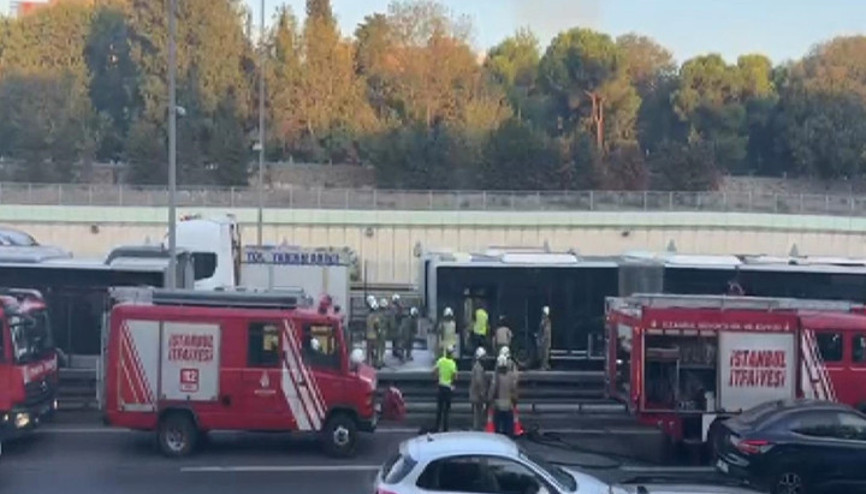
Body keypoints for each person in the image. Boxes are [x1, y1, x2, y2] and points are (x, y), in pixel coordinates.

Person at [488, 354, 518, 437]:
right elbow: (514, 390)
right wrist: (515, 401)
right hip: (508, 406)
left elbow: (493, 389)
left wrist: (489, 400)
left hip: (498, 406)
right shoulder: (511, 376)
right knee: (508, 429)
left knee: (497, 429)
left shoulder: (496, 376)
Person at [433, 345, 458, 432]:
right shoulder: (452, 363)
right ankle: (445, 429)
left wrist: (438, 379)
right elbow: (455, 376)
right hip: (448, 388)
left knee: (439, 409)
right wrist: (452, 382)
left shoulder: (440, 361)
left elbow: (434, 371)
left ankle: (437, 427)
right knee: (446, 410)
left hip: (440, 387)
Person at [469, 346, 488, 431]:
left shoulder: (476, 366)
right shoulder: (479, 368)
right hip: (478, 396)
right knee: (478, 416)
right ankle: (477, 431)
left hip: (475, 395)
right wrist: (482, 395)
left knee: (477, 415)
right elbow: (479, 382)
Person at [365, 296, 380, 366]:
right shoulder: (375, 316)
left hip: (368, 335)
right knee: (375, 350)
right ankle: (375, 363)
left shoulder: (368, 316)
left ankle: (368, 363)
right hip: (374, 335)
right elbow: (376, 325)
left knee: (369, 351)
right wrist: (379, 331)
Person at [537, 306, 552, 371]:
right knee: (544, 353)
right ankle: (546, 365)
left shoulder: (546, 321)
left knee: (544, 353)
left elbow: (546, 331)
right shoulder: (544, 321)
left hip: (545, 340)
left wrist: (542, 339)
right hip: (545, 339)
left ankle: (544, 366)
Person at [390, 294, 404, 358]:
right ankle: (396, 351)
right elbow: (398, 315)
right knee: (396, 339)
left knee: (396, 339)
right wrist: (400, 308)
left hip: (396, 324)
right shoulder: (394, 307)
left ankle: (395, 351)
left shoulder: (396, 307)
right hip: (395, 324)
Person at [378, 298, 390, 367]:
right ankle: (379, 362)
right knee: (381, 348)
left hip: (380, 331)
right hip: (381, 332)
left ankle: (380, 361)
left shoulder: (379, 313)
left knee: (380, 347)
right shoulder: (382, 314)